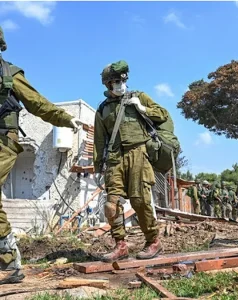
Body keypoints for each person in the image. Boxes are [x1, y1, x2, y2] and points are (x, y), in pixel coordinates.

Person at [0, 26, 83, 282]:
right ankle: (8, 262)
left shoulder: (9, 73)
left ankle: (8, 262)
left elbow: (36, 102)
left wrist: (65, 118)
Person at [93, 60, 168, 262]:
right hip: (115, 157)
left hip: (138, 152)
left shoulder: (139, 97)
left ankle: (153, 241)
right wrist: (98, 165)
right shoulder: (103, 109)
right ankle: (121, 245)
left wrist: (143, 108)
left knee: (140, 200)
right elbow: (99, 139)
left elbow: (163, 115)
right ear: (107, 85)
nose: (118, 85)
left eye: (120, 80)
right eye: (113, 82)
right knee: (111, 204)